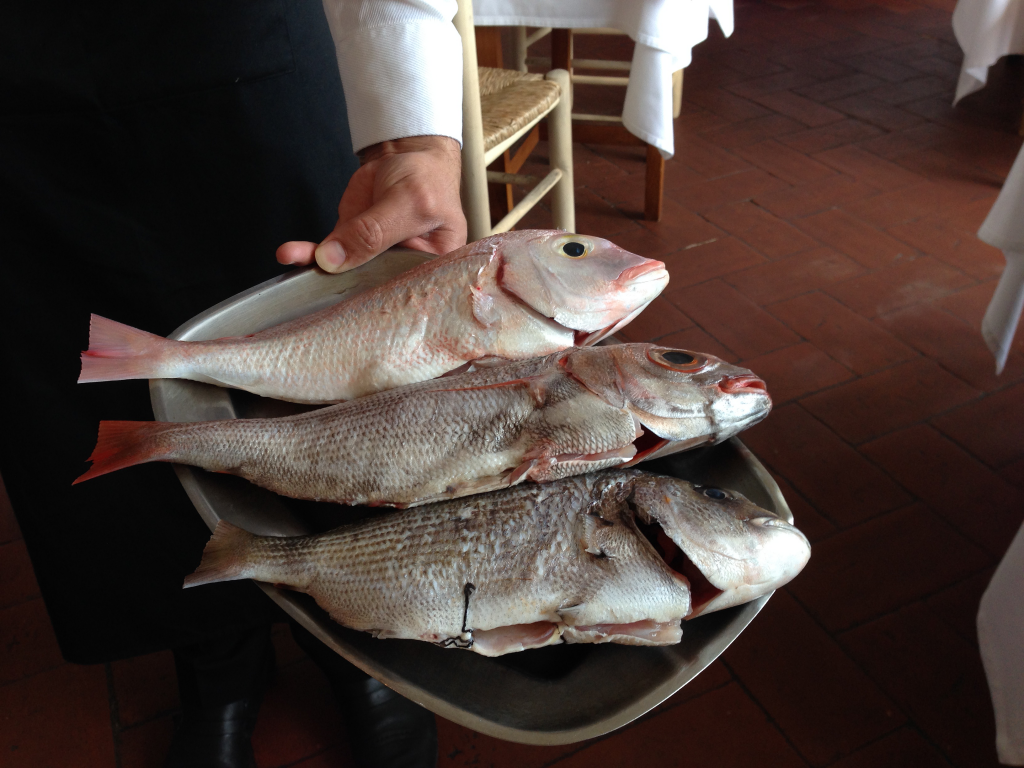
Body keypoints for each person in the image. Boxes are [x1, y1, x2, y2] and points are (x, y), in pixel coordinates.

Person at [0, 1, 467, 766]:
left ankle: (359, 645)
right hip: (21, 110)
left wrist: (410, 130)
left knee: (346, 390)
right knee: (99, 397)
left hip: (250, 56)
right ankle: (214, 661)